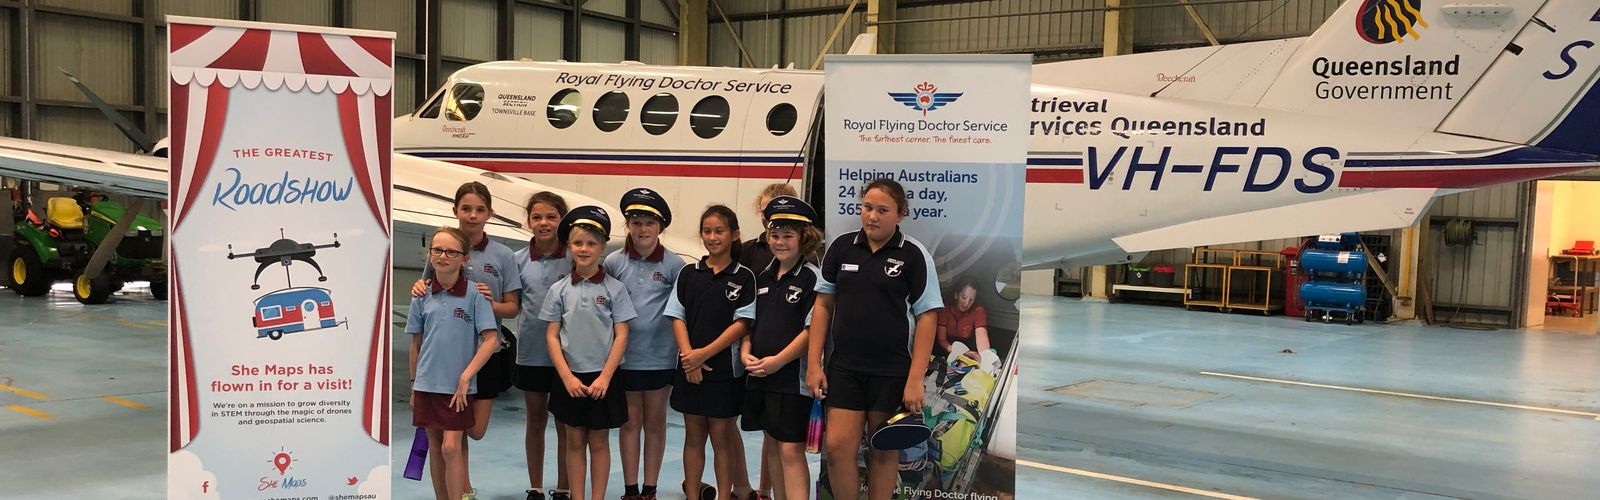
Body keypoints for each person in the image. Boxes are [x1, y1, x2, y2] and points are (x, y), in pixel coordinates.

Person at [807, 178, 943, 500]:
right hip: (845, 369)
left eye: (883, 210)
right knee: (837, 448)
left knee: (883, 450)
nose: (872, 216)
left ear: (901, 214)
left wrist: (915, 379)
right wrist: (813, 364)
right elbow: (823, 306)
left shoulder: (914, 255)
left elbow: (927, 317)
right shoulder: (841, 247)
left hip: (891, 371)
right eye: (867, 207)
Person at [412, 182, 523, 498]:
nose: (472, 215)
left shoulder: (503, 255)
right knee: (450, 438)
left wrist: (486, 304)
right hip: (444, 361)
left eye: (479, 209)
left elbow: (512, 307)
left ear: (489, 213)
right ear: (456, 211)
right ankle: (462, 490)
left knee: (473, 430)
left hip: (486, 354)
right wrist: (417, 287)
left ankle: (459, 486)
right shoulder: (442, 246)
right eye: (466, 209)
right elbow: (426, 289)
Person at [541, 205, 637, 500]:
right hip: (570, 377)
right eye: (578, 243)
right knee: (573, 441)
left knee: (598, 442)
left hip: (603, 378)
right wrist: (566, 377)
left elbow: (622, 334)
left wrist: (605, 377)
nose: (584, 249)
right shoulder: (558, 290)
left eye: (591, 243)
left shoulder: (615, 289)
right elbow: (552, 335)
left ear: (603, 247)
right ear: (569, 246)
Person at [667, 205, 759, 500]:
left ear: (735, 235)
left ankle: (724, 495)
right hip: (690, 370)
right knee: (693, 436)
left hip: (725, 373)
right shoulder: (688, 273)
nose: (712, 237)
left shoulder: (744, 277)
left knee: (722, 438)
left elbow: (742, 324)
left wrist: (703, 354)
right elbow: (677, 316)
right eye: (707, 231)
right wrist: (689, 358)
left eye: (719, 231)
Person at [604, 188, 688, 500]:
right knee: (629, 423)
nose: (642, 229)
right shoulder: (613, 262)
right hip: (624, 358)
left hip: (660, 358)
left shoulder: (674, 265)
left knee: (655, 423)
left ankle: (650, 488)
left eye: (649, 223)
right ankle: (630, 489)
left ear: (660, 227)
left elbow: (680, 311)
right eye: (636, 222)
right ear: (628, 225)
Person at [407, 227, 500, 500]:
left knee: (451, 447)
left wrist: (466, 376)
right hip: (427, 385)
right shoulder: (421, 295)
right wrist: (414, 385)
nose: (443, 256)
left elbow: (491, 340)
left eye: (451, 252)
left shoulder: (475, 295)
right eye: (437, 250)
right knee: (435, 446)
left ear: (464, 258)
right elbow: (416, 344)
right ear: (429, 254)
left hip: (458, 388)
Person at [740, 196, 824, 500]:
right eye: (775, 235)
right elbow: (748, 323)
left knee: (790, 449)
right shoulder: (761, 277)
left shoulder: (812, 278)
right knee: (773, 444)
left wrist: (778, 361)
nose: (780, 242)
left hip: (792, 379)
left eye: (788, 236)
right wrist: (745, 351)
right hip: (761, 375)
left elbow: (812, 331)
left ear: (804, 238)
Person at [512, 192, 574, 500]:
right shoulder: (517, 260)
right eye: (537, 217)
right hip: (532, 353)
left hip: (568, 356)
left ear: (562, 220)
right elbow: (511, 303)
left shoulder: (575, 257)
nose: (544, 223)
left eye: (551, 216)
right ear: (528, 221)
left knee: (564, 422)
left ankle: (564, 487)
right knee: (535, 419)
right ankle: (535, 486)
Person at [739, 183, 799, 272]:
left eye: (771, 211)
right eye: (763, 212)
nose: (765, 217)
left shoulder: (806, 253)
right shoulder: (747, 250)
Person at [936, 276, 990, 357]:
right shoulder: (945, 308)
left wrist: (985, 356)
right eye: (964, 298)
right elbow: (942, 339)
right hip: (945, 348)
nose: (967, 303)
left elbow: (982, 340)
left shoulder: (978, 311)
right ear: (956, 295)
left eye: (972, 299)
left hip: (967, 349)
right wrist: (956, 351)